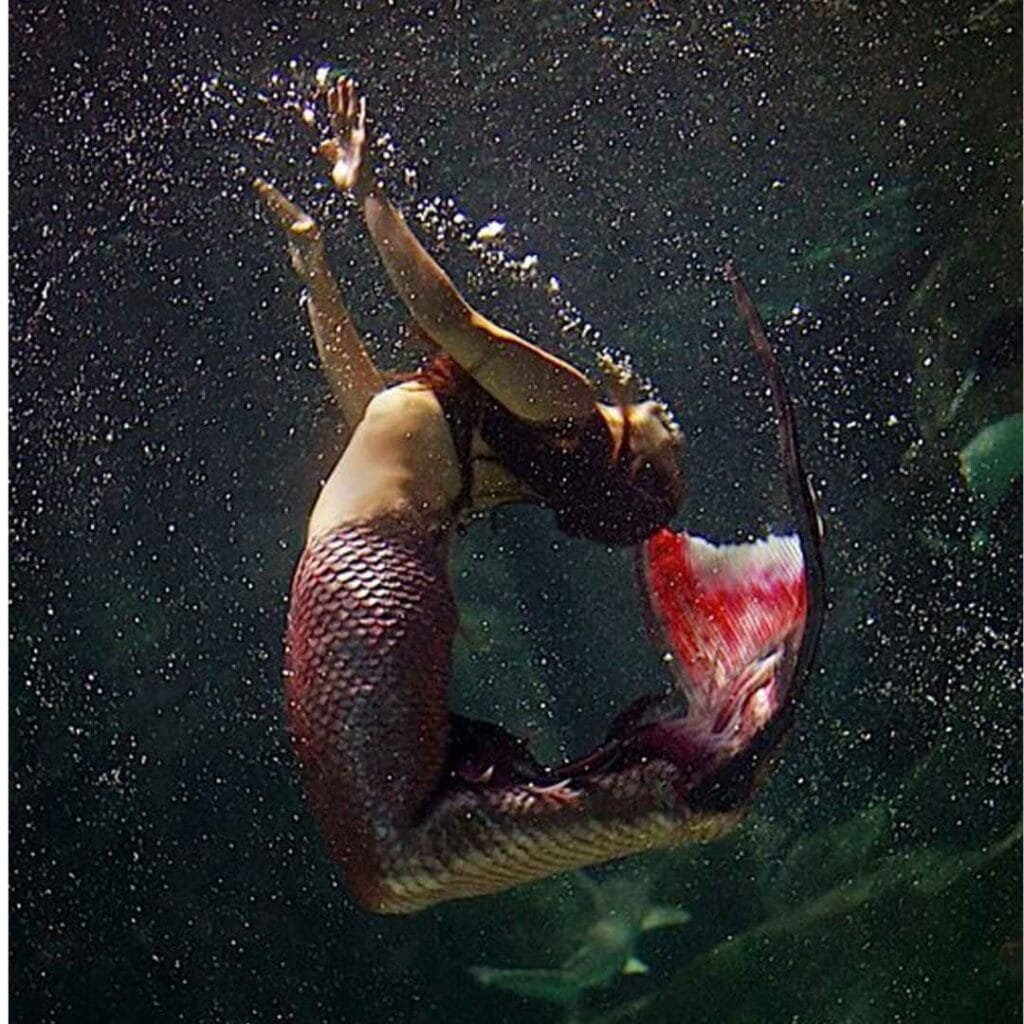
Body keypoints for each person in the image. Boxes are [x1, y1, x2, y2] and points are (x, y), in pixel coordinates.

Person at [257, 79, 821, 915]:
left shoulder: (568, 411)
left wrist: (368, 189)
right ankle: (680, 798)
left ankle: (687, 799)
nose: (673, 423)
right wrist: (317, 273)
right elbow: (364, 404)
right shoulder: (477, 444)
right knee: (392, 864)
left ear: (624, 467)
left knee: (394, 864)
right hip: (358, 588)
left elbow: (453, 324)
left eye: (672, 453)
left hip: (358, 590)